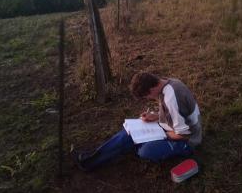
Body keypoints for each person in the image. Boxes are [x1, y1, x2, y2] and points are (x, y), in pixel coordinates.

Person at [72, 72, 202, 171]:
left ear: (151, 89)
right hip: (171, 127)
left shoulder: (171, 98)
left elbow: (185, 134)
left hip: (187, 141)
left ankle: (142, 143)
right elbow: (174, 114)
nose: (149, 99)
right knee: (127, 134)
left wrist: (159, 135)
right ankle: (90, 159)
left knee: (145, 151)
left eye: (147, 96)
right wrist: (156, 116)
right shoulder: (169, 83)